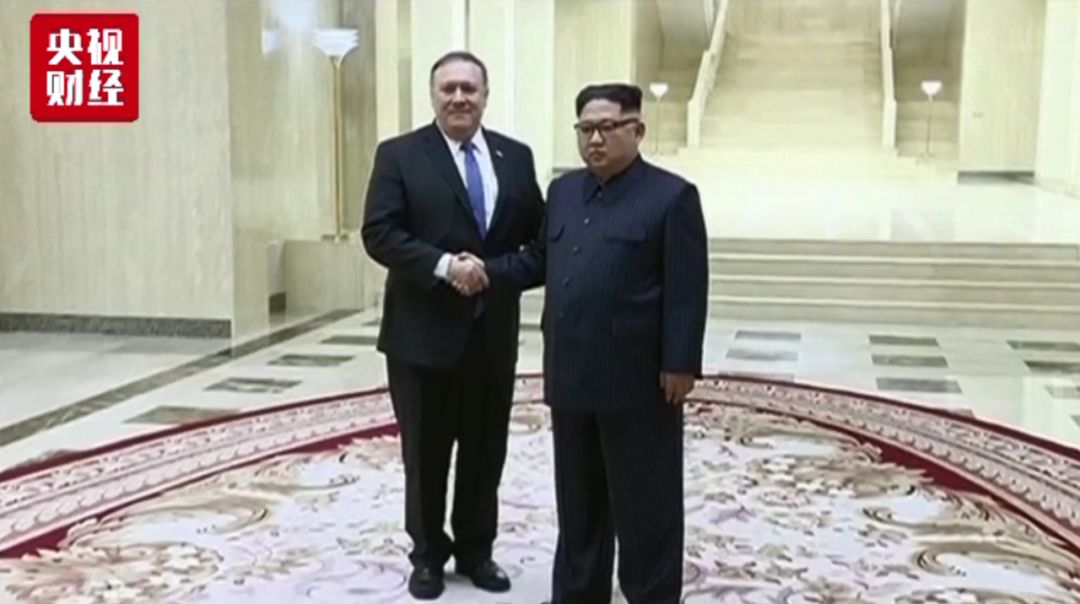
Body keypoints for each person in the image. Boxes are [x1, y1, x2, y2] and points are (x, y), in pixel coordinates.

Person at [482, 82, 709, 604]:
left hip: (637, 381)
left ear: (638, 130)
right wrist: (486, 272)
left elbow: (686, 288)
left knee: (645, 504)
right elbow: (540, 259)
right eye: (586, 129)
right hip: (571, 373)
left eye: (608, 127)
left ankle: (651, 594)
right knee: (579, 504)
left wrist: (680, 361)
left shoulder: (671, 196)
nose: (595, 139)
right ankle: (578, 593)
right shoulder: (564, 192)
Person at [360, 50, 544, 600]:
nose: (459, 98)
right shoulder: (399, 155)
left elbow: (540, 244)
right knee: (426, 455)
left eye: (469, 88)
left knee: (485, 454)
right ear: (433, 95)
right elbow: (379, 233)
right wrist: (445, 267)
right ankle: (427, 557)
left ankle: (476, 550)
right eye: (449, 89)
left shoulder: (516, 157)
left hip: (491, 339)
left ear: (485, 95)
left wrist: (491, 274)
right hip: (421, 341)